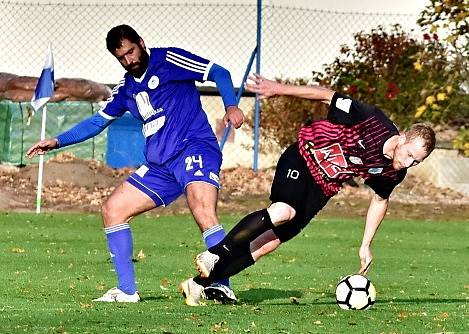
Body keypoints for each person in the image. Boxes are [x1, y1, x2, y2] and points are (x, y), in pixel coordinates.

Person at [26, 24, 245, 304]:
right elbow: (98, 121)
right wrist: (57, 141)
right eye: (122, 57)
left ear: (141, 42)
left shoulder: (169, 60)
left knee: (201, 207)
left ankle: (222, 285)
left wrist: (230, 105)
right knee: (113, 210)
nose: (129, 60)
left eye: (131, 51)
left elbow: (219, 72)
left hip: (194, 147)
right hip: (160, 165)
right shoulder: (126, 88)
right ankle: (127, 291)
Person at [179, 73, 436, 306]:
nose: (408, 163)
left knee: (268, 243)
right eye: (409, 155)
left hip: (323, 186)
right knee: (283, 212)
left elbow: (380, 200)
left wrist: (365, 244)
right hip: (303, 156)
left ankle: (198, 285)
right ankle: (215, 253)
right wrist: (279, 88)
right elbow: (327, 96)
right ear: (402, 138)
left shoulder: (394, 171)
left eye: (417, 162)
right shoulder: (371, 121)